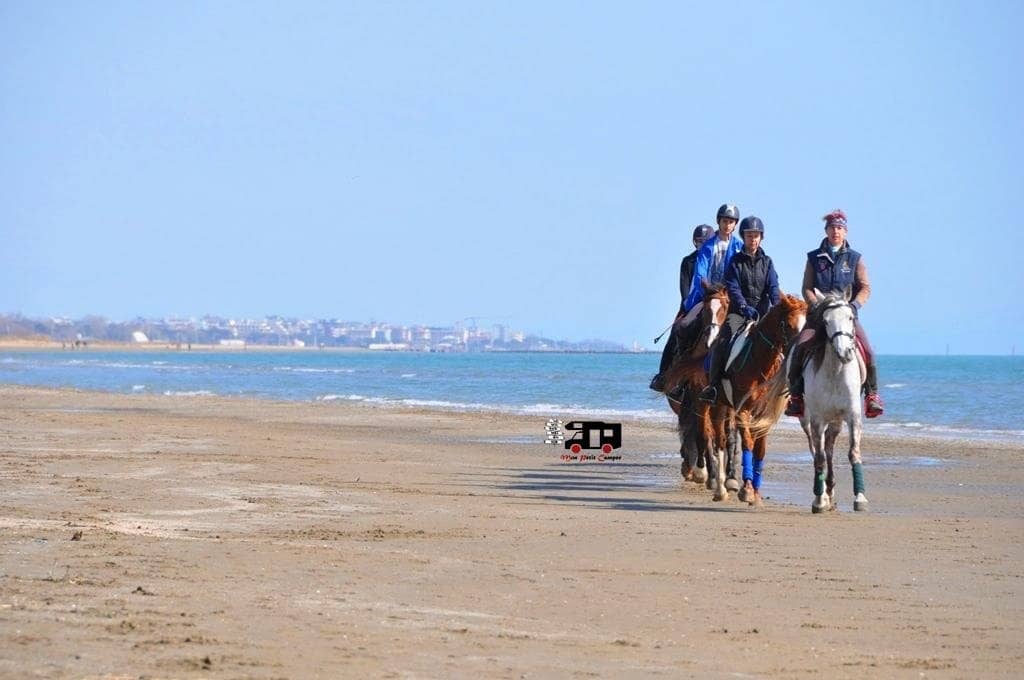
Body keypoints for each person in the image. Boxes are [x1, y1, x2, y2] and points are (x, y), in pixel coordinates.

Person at [785, 209, 884, 418]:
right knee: (799, 348)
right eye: (832, 228)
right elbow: (807, 288)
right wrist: (817, 306)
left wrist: (854, 306)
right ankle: (796, 397)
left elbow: (865, 287)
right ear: (826, 231)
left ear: (845, 232)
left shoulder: (855, 258)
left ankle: (872, 396)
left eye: (839, 228)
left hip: (845, 317)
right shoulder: (813, 258)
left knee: (868, 351)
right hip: (818, 317)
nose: (835, 232)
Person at [698, 216, 780, 402]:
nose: (753, 239)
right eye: (749, 235)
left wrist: (776, 306)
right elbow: (733, 288)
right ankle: (714, 386)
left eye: (756, 235)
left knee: (783, 340)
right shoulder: (735, 261)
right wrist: (744, 307)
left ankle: (789, 387)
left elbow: (773, 287)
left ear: (761, 237)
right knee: (722, 341)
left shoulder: (767, 262)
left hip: (763, 313)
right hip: (739, 313)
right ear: (743, 237)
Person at [649, 223, 715, 392]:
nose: (702, 243)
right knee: (676, 333)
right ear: (694, 242)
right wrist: (689, 304)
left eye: (705, 240)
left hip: (713, 305)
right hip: (690, 305)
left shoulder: (715, 259)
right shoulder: (688, 261)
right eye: (699, 241)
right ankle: (663, 375)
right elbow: (684, 288)